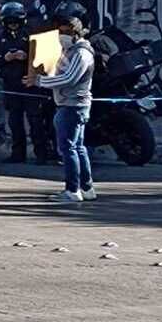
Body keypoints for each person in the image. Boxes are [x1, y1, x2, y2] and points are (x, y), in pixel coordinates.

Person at [25, 13, 96, 203]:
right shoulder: (71, 50)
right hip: (71, 105)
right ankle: (86, 187)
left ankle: (73, 190)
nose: (60, 36)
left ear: (75, 33)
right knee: (78, 147)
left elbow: (68, 78)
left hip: (72, 106)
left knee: (68, 148)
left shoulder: (82, 53)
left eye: (64, 32)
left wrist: (39, 80)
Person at [0, 1, 48, 164]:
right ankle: (17, 153)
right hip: (10, 84)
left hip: (29, 83)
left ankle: (41, 154)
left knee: (35, 119)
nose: (13, 26)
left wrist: (26, 56)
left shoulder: (31, 35)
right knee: (14, 120)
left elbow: (45, 58)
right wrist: (5, 58)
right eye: (10, 22)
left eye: (16, 22)